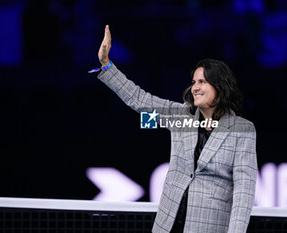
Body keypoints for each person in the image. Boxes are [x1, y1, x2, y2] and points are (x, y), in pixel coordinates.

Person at [97, 25, 257, 233]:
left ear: (221, 87)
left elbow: (244, 191)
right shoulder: (181, 117)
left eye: (202, 82)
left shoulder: (242, 129)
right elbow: (140, 100)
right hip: (167, 226)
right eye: (193, 82)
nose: (195, 87)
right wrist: (106, 64)